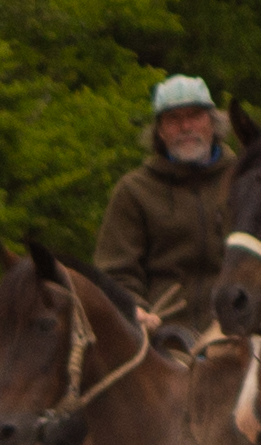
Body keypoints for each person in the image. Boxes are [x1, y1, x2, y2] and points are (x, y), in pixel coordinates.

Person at [95, 75, 235, 335]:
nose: (185, 126)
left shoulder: (245, 180)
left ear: (213, 123)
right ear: (159, 131)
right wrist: (133, 308)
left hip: (237, 330)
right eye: (173, 119)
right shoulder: (134, 190)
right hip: (162, 334)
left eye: (195, 116)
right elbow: (114, 271)